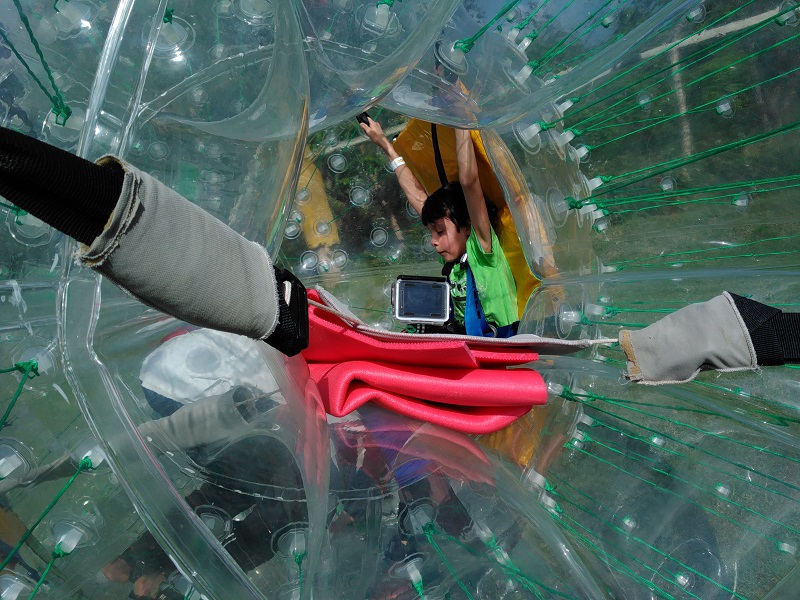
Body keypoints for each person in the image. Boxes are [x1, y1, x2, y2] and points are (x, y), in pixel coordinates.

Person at [359, 117, 518, 337]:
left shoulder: (481, 249)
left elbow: (469, 181)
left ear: (467, 227)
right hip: (473, 348)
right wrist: (385, 144)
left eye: (440, 231)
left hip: (502, 344)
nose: (433, 240)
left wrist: (460, 115)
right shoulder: (452, 261)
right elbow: (417, 198)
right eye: (433, 232)